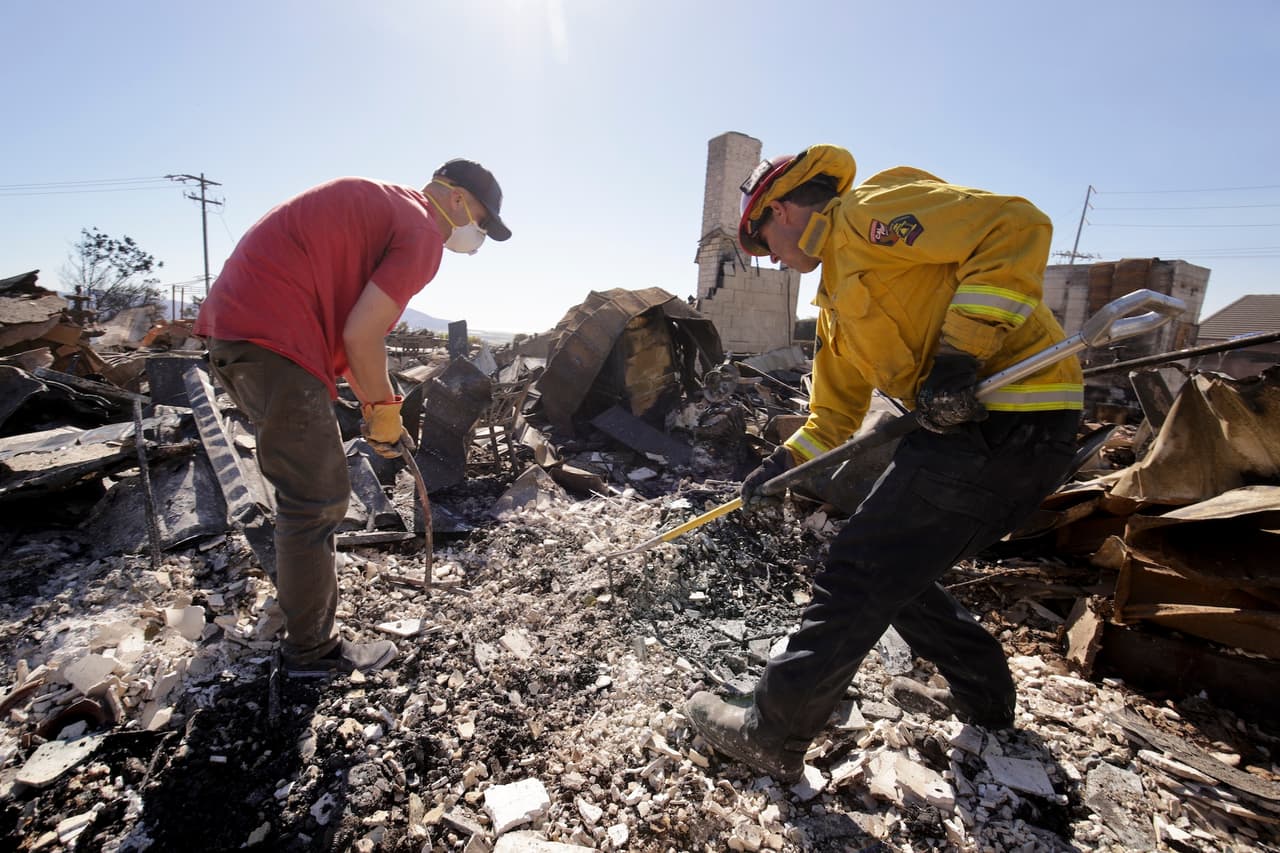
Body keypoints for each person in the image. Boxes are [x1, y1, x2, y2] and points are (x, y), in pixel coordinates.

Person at [685, 144, 1082, 782]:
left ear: (781, 210)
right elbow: (832, 420)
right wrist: (779, 466)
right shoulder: (837, 304)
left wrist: (961, 355)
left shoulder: (871, 213)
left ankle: (773, 729)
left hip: (1015, 417)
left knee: (862, 566)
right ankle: (987, 695)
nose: (775, 261)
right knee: (891, 566)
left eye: (766, 243)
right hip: (969, 432)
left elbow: (1017, 224)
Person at [193, 159, 512, 677]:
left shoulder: (380, 202)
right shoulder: (422, 229)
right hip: (274, 343)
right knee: (316, 500)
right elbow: (362, 335)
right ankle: (312, 653)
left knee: (303, 492)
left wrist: (373, 405)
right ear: (455, 198)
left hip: (240, 336)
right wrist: (385, 412)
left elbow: (350, 327)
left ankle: (295, 607)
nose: (476, 236)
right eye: (481, 219)